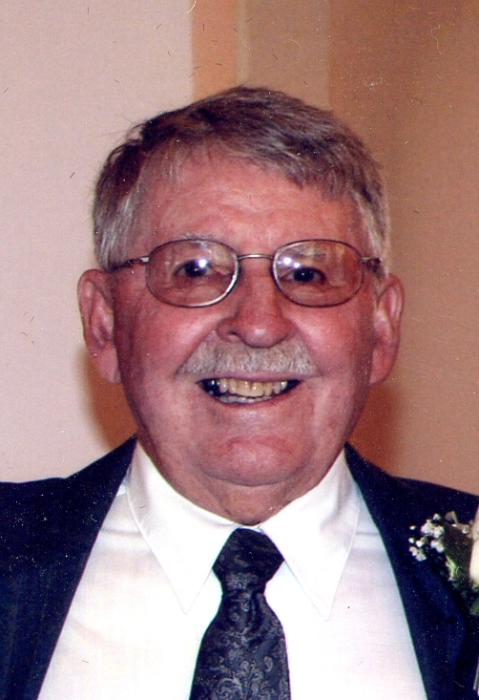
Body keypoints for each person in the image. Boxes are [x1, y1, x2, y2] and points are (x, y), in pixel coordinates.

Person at [1, 86, 478, 700]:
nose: (257, 324)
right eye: (195, 270)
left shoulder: (468, 555)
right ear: (104, 324)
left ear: (383, 327)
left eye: (308, 273)